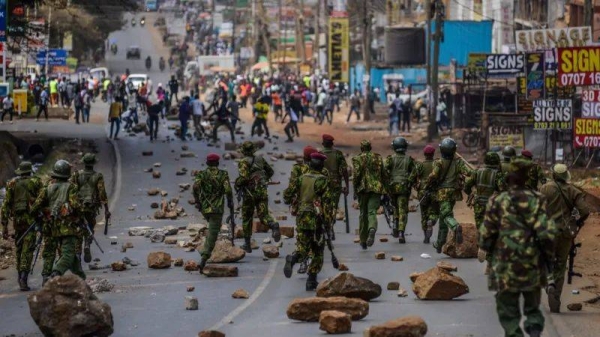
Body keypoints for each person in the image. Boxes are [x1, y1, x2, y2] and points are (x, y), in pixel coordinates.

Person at [480, 159, 558, 337]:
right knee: (532, 306)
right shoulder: (538, 200)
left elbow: (486, 234)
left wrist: (487, 250)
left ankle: (514, 333)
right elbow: (547, 234)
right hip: (532, 262)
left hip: (505, 264)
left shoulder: (498, 200)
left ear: (509, 177)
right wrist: (548, 259)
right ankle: (535, 327)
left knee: (508, 309)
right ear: (527, 177)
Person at [539, 164, 591, 313]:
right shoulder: (573, 190)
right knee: (561, 265)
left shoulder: (544, 188)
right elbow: (585, 210)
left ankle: (548, 284)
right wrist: (578, 223)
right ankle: (555, 299)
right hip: (565, 234)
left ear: (553, 175)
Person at [31, 160, 86, 282]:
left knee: (55, 252)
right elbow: (76, 205)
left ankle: (80, 278)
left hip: (51, 227)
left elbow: (34, 207)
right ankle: (55, 273)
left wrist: (41, 217)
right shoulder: (71, 187)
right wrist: (80, 216)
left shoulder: (47, 188)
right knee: (68, 253)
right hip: (67, 227)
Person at [283, 152, 330, 291]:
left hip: (302, 215)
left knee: (303, 246)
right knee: (317, 249)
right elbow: (327, 203)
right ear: (321, 166)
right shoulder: (322, 180)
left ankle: (293, 258)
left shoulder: (301, 178)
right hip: (316, 218)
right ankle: (311, 279)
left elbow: (287, 195)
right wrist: (327, 222)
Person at [425, 138, 473, 253]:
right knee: (443, 216)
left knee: (446, 216)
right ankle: (439, 243)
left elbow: (433, 176)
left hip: (442, 193)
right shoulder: (459, 162)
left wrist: (428, 183)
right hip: (454, 193)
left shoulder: (439, 162)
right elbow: (469, 173)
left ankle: (455, 226)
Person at [1, 162, 43, 291]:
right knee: (28, 249)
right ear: (30, 171)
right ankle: (23, 277)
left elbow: (5, 206)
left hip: (18, 222)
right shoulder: (36, 182)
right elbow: (42, 200)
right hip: (31, 221)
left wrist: (5, 227)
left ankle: (20, 275)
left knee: (19, 248)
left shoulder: (12, 184)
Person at [234, 141, 281, 252]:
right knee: (263, 214)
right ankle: (274, 225)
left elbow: (244, 178)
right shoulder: (260, 159)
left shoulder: (243, 162)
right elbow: (270, 171)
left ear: (244, 151)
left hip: (249, 193)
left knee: (247, 217)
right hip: (262, 191)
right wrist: (262, 180)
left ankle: (247, 244)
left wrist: (237, 183)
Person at [193, 153, 234, 273]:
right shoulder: (223, 174)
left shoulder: (202, 174)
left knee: (211, 229)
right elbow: (227, 190)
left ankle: (205, 251)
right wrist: (230, 203)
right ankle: (204, 258)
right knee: (212, 234)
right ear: (217, 163)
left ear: (207, 163)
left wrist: (198, 201)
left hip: (205, 208)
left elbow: (195, 187)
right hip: (217, 209)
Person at [464, 152, 503, 270]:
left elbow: (467, 186)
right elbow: (503, 189)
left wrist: (471, 194)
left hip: (479, 205)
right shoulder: (498, 175)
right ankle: (490, 264)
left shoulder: (477, 172)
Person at [70, 154, 110, 264]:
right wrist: (106, 209)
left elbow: (72, 191)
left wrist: (72, 206)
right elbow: (102, 193)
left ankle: (78, 254)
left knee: (78, 230)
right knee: (90, 228)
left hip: (78, 207)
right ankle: (87, 244)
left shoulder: (76, 175)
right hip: (91, 207)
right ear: (93, 163)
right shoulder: (98, 176)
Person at [352, 140, 387, 249]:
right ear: (370, 147)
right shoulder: (378, 158)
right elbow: (383, 174)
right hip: (376, 188)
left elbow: (356, 175)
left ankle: (363, 240)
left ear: (361, 148)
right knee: (371, 211)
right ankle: (372, 228)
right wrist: (385, 190)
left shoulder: (357, 159)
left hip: (362, 189)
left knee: (363, 214)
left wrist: (355, 189)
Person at [384, 137, 415, 243]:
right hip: (404, 188)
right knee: (403, 210)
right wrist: (410, 181)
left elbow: (384, 171)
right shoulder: (409, 159)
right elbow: (414, 173)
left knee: (395, 207)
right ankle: (401, 232)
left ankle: (396, 226)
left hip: (392, 188)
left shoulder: (390, 159)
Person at [408, 145, 439, 243]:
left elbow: (411, 178)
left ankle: (426, 236)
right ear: (433, 154)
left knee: (424, 214)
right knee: (435, 212)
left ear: (425, 154)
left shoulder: (419, 165)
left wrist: (416, 186)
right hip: (435, 192)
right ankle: (432, 221)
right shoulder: (437, 165)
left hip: (422, 192)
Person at [321, 134, 349, 239]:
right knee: (333, 206)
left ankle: (326, 226)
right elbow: (344, 171)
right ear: (332, 144)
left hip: (322, 185)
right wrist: (347, 186)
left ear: (323, 143)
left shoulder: (319, 154)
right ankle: (330, 226)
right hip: (336, 184)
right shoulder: (338, 154)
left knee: (324, 206)